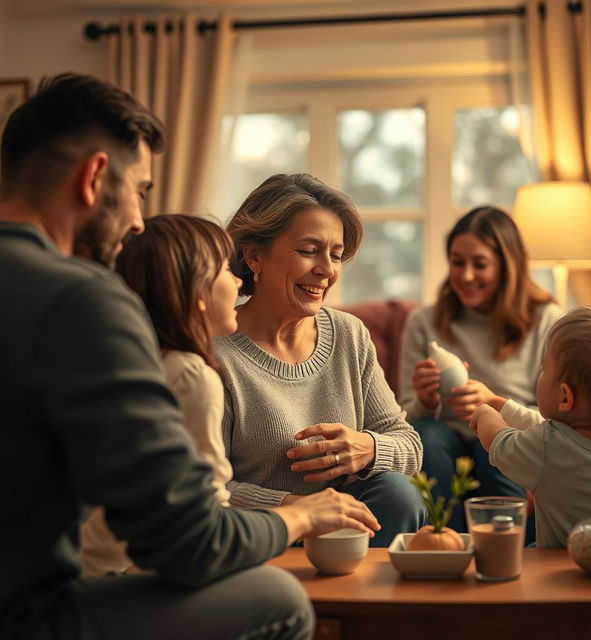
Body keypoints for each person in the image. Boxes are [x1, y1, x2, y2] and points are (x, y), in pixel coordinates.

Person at [0, 74, 380, 640]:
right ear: (94, 177)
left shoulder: (345, 335)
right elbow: (187, 544)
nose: (136, 222)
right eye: (140, 191)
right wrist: (300, 514)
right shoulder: (84, 301)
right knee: (279, 599)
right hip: (27, 616)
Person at [218, 173, 426, 547]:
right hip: (259, 535)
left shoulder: (350, 334)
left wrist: (368, 447)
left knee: (398, 493)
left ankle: (376, 605)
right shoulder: (215, 353)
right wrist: (298, 510)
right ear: (253, 256)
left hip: (346, 539)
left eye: (335, 254)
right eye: (308, 250)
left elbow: (410, 446)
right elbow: (205, 487)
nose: (327, 270)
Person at [81, 214, 239, 576]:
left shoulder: (132, 364)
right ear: (198, 291)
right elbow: (210, 510)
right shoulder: (191, 375)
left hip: (87, 565)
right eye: (227, 270)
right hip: (128, 573)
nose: (239, 280)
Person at [400, 206, 562, 531]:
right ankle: (444, 543)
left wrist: (495, 405)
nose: (466, 275)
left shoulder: (546, 320)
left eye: (480, 264)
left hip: (510, 436)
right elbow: (404, 419)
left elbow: (558, 420)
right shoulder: (424, 322)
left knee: (500, 441)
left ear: (507, 265)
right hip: (442, 440)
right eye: (458, 262)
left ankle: (503, 551)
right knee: (427, 437)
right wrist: (426, 401)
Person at [470, 306, 591, 547]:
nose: (541, 373)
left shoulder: (547, 448)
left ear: (564, 397)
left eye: (544, 368)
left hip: (562, 577)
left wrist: (487, 414)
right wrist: (501, 404)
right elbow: (557, 433)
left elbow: (498, 440)